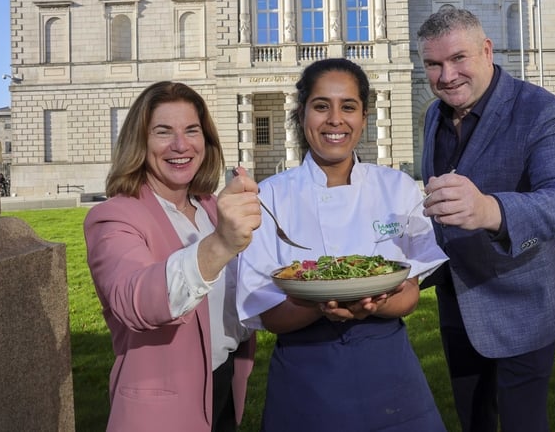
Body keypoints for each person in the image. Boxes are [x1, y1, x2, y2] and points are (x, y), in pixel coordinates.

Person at [235, 58, 449, 432]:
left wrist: (372, 302)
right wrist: (322, 306)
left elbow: (409, 294)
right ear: (302, 115)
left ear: (364, 117)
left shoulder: (395, 187)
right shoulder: (270, 197)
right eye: (322, 106)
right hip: (307, 372)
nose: (336, 119)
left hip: (389, 368)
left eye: (348, 106)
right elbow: (269, 313)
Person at [416, 8, 555, 432]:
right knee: (473, 420)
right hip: (456, 298)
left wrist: (489, 210)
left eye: (459, 58)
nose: (447, 75)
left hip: (523, 303)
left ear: (487, 51)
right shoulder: (432, 115)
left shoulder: (540, 110)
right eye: (433, 64)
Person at [83, 81, 261, 432]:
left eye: (191, 130)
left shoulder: (211, 207)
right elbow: (135, 300)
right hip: (162, 410)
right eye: (163, 132)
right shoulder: (114, 216)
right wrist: (221, 244)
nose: (181, 145)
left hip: (224, 386)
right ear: (140, 142)